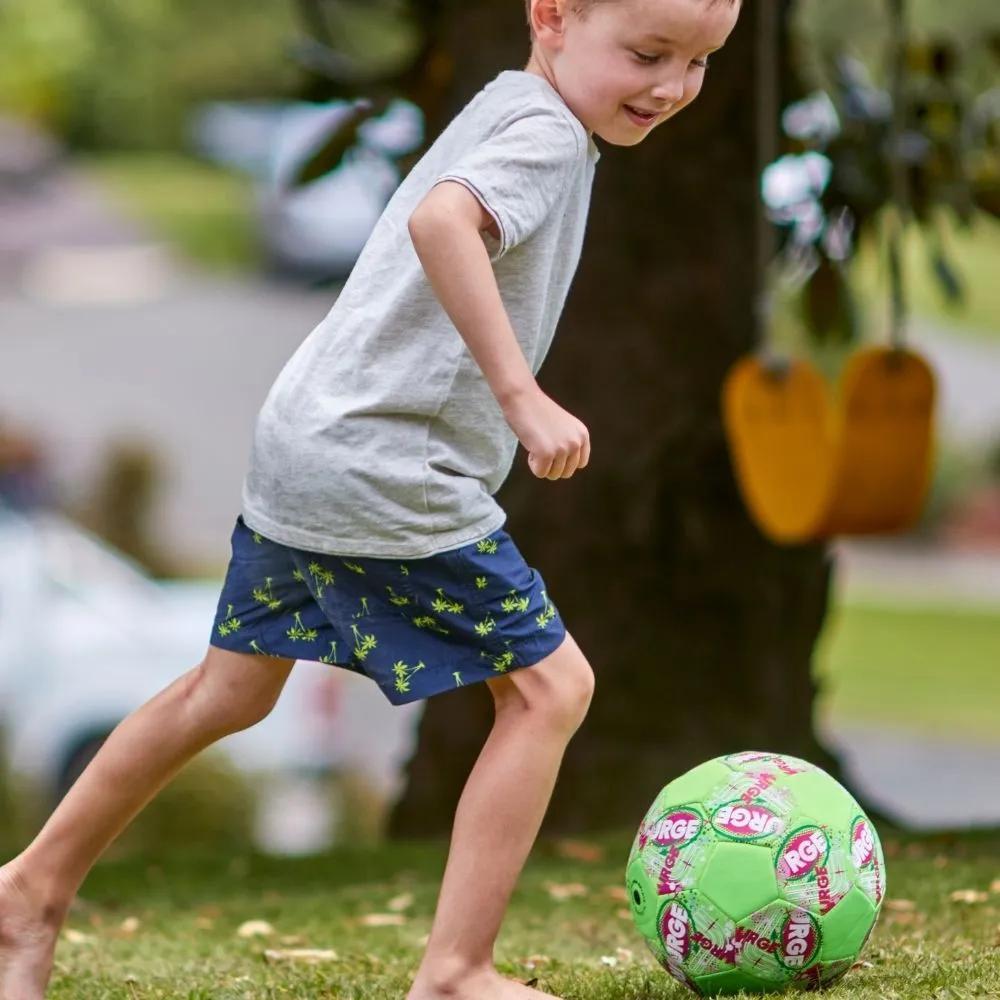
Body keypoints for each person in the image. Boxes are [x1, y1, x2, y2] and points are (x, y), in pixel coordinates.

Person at [0, 0, 740, 997]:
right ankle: (455, 971)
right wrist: (520, 395)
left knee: (227, 692)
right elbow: (444, 221)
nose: (670, 87)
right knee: (547, 690)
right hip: (385, 461)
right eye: (649, 53)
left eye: (698, 63)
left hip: (309, 439)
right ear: (552, 16)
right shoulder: (544, 133)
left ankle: (29, 890)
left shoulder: (510, 101)